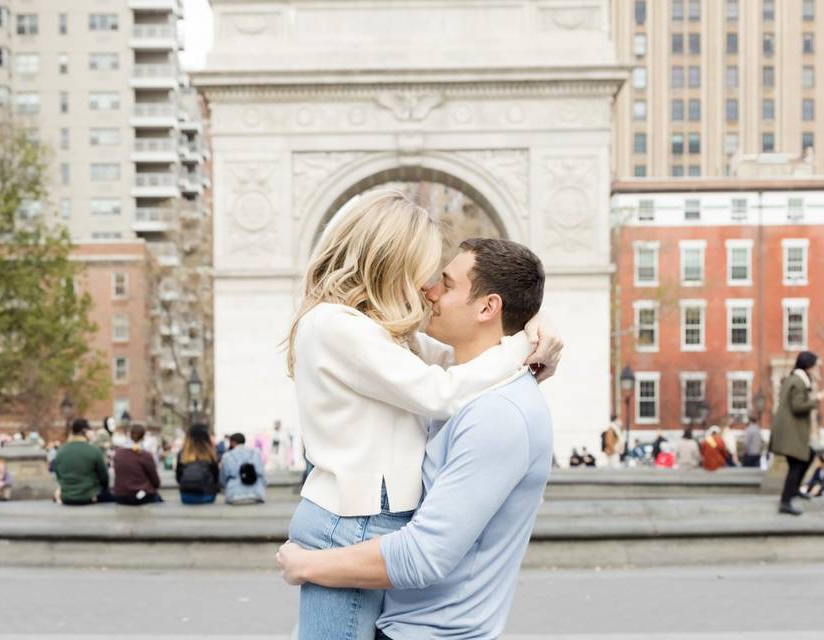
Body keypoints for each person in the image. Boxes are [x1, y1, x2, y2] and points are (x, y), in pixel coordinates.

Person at [281, 192, 561, 639]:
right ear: (391, 262)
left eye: (443, 283)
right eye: (423, 272)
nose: (427, 288)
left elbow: (457, 364)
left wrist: (528, 333)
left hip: (363, 523)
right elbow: (442, 388)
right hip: (354, 521)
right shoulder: (338, 326)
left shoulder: (374, 332)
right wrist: (520, 347)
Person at [771, 351, 824, 516]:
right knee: (796, 464)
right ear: (808, 366)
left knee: (808, 455)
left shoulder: (795, 379)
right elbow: (797, 406)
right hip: (791, 432)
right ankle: (785, 501)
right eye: (815, 365)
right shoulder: (798, 382)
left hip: (789, 431)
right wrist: (817, 399)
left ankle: (794, 491)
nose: (817, 368)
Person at [53, 419, 112, 506]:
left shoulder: (60, 451)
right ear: (85, 431)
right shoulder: (94, 450)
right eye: (90, 430)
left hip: (66, 497)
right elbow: (104, 477)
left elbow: (58, 475)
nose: (93, 432)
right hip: (90, 496)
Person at [112, 424, 163, 505]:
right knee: (157, 499)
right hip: (141, 495)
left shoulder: (118, 454)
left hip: (120, 495)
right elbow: (155, 481)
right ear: (143, 437)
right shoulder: (145, 455)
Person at [176, 423, 220, 505]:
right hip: (207, 496)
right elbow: (216, 477)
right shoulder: (211, 454)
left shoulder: (182, 454)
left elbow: (178, 478)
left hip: (186, 496)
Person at [220, 433, 266, 504]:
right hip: (257, 495)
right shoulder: (256, 453)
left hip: (234, 496)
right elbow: (262, 475)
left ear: (233, 442)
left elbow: (222, 479)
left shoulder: (227, 456)